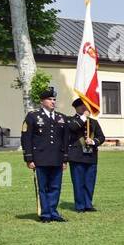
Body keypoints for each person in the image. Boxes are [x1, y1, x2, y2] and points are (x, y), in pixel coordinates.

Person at [20, 86, 69, 222]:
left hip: (57, 159)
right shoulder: (33, 116)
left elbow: (65, 141)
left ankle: (53, 212)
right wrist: (28, 158)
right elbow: (26, 138)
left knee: (55, 187)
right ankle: (45, 214)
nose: (53, 102)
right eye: (49, 99)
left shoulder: (61, 118)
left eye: (54, 99)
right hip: (40, 158)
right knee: (43, 187)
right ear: (42, 101)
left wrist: (65, 159)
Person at [65, 97, 106, 212]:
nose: (85, 108)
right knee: (78, 182)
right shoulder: (70, 120)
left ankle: (88, 204)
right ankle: (79, 205)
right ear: (76, 108)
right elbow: (73, 128)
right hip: (77, 156)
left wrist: (93, 142)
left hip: (91, 156)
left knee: (89, 182)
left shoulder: (93, 122)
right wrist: (83, 117)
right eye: (82, 106)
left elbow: (101, 137)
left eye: (86, 106)